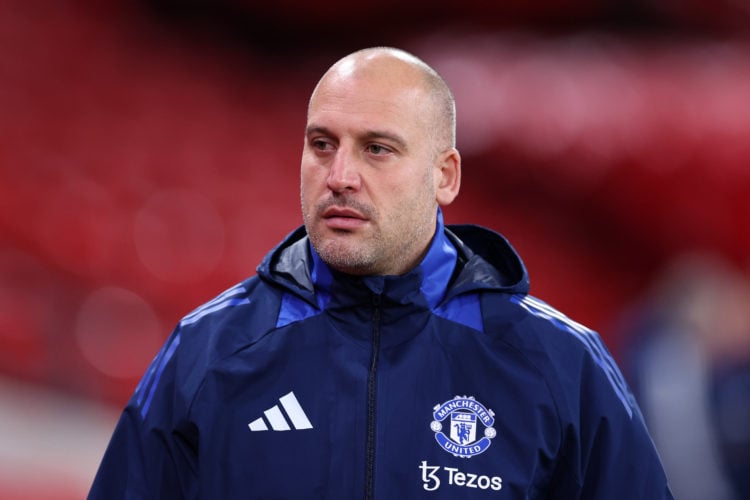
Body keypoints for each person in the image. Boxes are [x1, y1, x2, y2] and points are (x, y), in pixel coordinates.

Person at [89, 47, 673, 499]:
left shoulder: (561, 365)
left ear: (445, 175)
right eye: (322, 144)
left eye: (377, 149)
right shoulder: (208, 352)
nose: (339, 174)